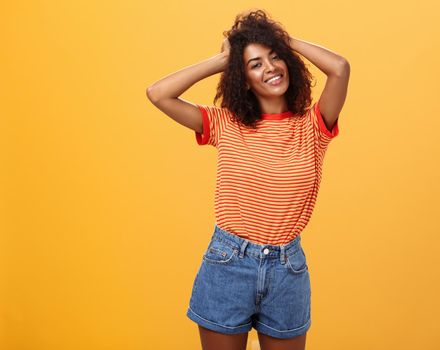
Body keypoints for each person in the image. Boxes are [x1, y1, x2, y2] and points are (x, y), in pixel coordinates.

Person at [146, 9, 350, 350]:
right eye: (255, 64)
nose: (269, 68)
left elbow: (340, 68)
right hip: (229, 263)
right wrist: (223, 59)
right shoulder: (226, 123)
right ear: (242, 78)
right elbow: (158, 93)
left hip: (287, 269)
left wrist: (286, 41)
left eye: (274, 57)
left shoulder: (313, 125)